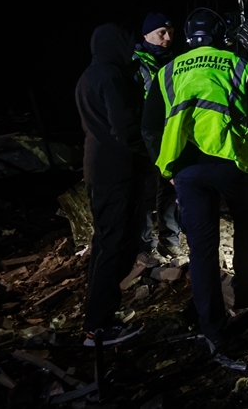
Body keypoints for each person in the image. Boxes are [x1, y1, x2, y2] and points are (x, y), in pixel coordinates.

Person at [142, 9, 248, 353]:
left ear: (189, 38)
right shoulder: (241, 66)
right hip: (232, 162)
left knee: (202, 250)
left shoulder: (167, 72)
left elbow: (149, 128)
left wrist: (166, 169)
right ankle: (246, 286)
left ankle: (214, 328)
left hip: (187, 171)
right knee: (246, 219)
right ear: (222, 36)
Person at [75, 23, 149, 346]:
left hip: (98, 170)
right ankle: (98, 326)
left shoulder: (87, 76)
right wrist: (149, 154)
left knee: (107, 244)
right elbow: (125, 127)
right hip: (116, 172)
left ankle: (99, 316)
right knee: (115, 245)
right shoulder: (112, 76)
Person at [133, 12, 183, 263]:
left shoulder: (175, 61)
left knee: (169, 188)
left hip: (170, 134)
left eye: (170, 32)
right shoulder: (136, 63)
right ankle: (145, 246)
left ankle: (170, 240)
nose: (167, 37)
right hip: (145, 136)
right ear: (146, 35)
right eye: (161, 32)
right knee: (145, 193)